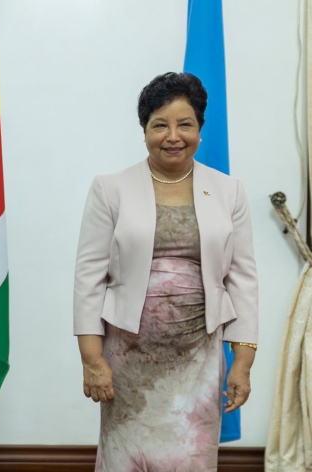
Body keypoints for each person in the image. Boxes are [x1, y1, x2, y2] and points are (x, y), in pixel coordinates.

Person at [73, 72, 258, 470]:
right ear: (144, 131)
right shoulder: (111, 188)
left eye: (184, 124)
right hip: (128, 361)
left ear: (200, 128)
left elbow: (242, 280)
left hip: (199, 361)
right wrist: (92, 358)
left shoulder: (229, 191)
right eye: (160, 125)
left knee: (189, 459)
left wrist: (242, 363)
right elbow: (89, 277)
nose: (173, 136)